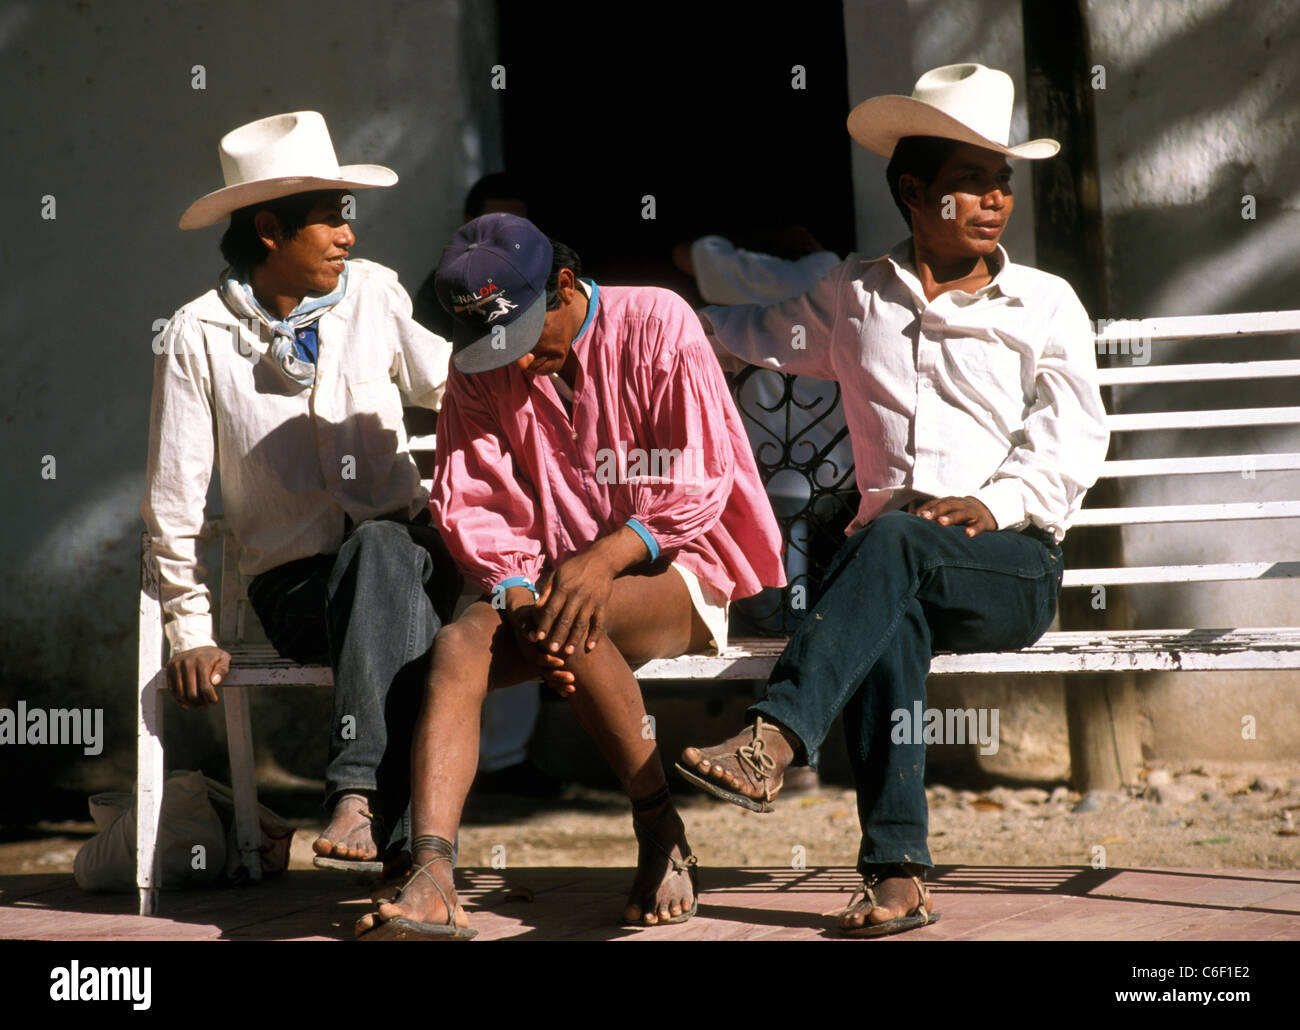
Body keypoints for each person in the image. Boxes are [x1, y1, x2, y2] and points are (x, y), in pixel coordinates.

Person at [675, 63, 1110, 937]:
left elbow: (1076, 434)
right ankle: (897, 880)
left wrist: (998, 501)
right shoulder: (856, 294)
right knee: (887, 595)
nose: (992, 201)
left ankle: (776, 739)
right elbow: (745, 334)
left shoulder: (1044, 302)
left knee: (892, 547)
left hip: (1009, 567)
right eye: (968, 184)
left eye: (1002, 183)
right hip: (892, 570)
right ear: (914, 192)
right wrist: (626, 321)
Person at [354, 213, 785, 938]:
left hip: (682, 566)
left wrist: (601, 559)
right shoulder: (476, 370)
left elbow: (700, 477)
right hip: (555, 586)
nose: (517, 365)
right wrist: (517, 593)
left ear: (563, 286)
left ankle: (658, 828)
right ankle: (432, 875)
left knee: (573, 613)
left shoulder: (657, 319)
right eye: (497, 350)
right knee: (462, 645)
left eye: (526, 341)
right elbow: (482, 504)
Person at [144, 111, 459, 874]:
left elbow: (452, 388)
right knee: (394, 596)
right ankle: (418, 859)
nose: (348, 237)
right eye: (329, 221)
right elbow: (173, 495)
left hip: (415, 559)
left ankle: (356, 792)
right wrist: (190, 631)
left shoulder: (375, 295)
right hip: (297, 590)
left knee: (385, 545)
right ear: (268, 231)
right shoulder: (196, 335)